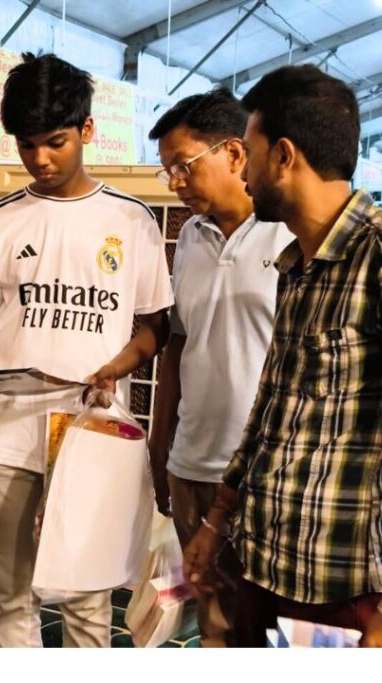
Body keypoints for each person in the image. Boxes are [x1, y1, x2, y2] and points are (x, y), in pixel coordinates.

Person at [184, 65, 382, 648]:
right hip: (260, 559)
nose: (242, 172)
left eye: (249, 153)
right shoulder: (296, 266)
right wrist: (217, 522)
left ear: (283, 156)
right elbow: (270, 413)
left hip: (340, 582)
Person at [0, 53, 173, 648]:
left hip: (90, 432)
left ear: (87, 130)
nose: (40, 160)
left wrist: (116, 368)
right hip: (8, 435)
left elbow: (155, 326)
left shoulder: (131, 220)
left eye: (55, 142)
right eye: (26, 146)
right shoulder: (1, 222)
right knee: (10, 593)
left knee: (87, 596)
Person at [145, 89, 292, 648]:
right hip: (193, 463)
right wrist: (161, 443)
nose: (176, 183)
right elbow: (179, 344)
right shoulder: (189, 237)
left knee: (267, 625)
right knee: (212, 622)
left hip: (264, 472)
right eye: (168, 171)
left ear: (234, 153)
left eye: (184, 166)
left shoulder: (289, 233)